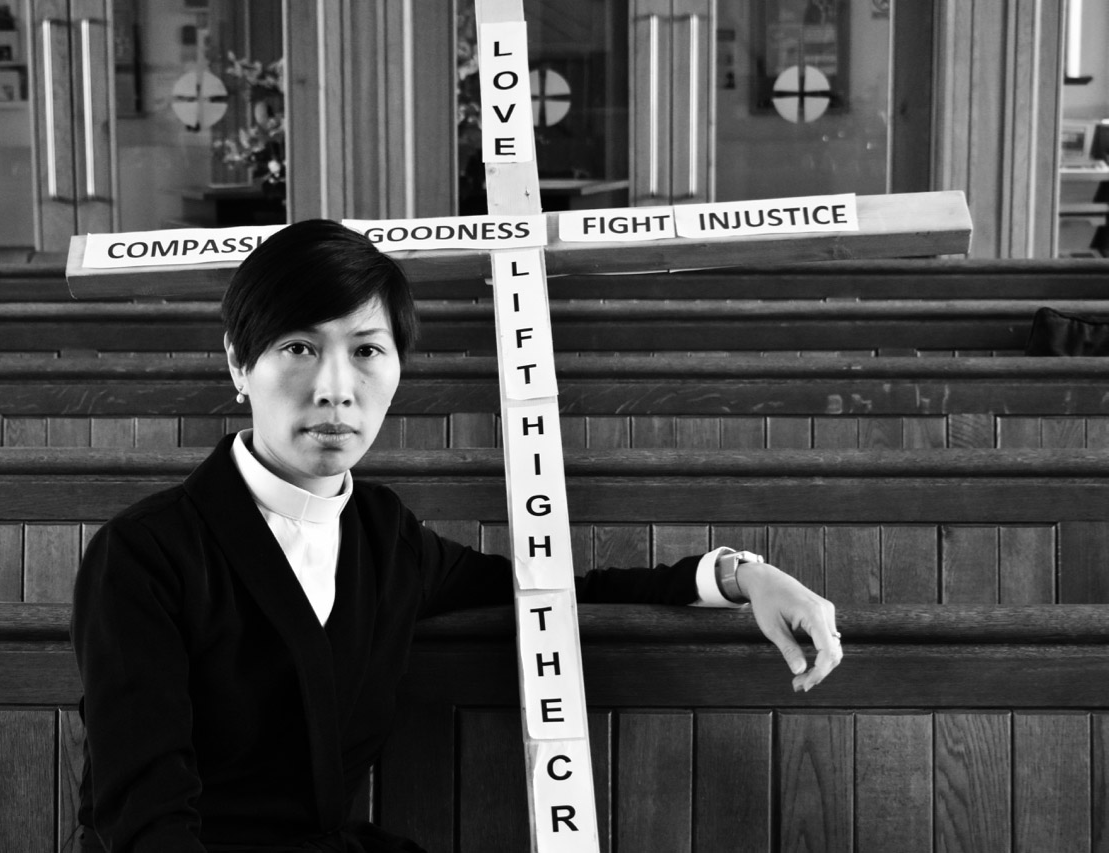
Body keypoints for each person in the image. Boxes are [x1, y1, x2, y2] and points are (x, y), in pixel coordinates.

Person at [71, 219, 843, 852]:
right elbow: (148, 822)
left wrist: (741, 575)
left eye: (366, 350)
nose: (336, 387)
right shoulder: (143, 554)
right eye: (299, 347)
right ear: (239, 361)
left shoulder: (383, 534)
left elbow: (551, 592)